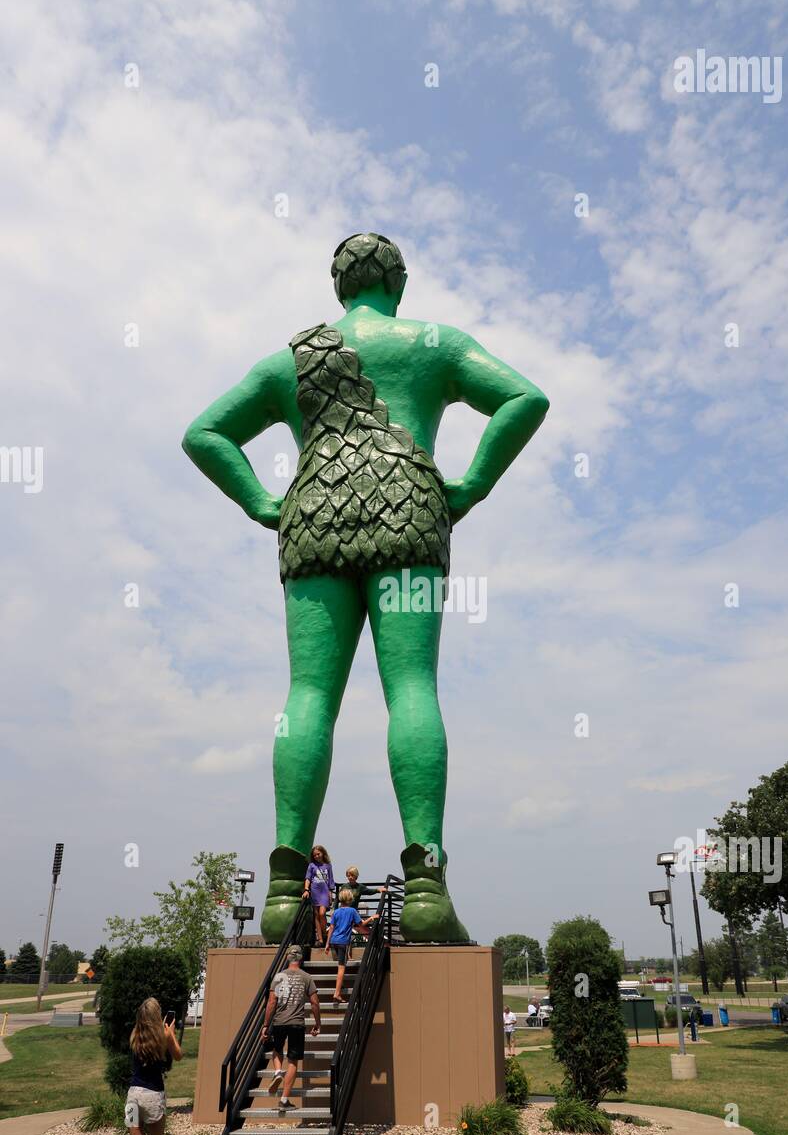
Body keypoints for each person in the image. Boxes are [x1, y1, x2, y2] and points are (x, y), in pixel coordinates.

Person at [183, 232, 548, 945]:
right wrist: (471, 483)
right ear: (399, 284)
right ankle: (426, 893)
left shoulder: (292, 359)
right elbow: (524, 399)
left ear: (338, 287)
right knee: (412, 688)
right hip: (409, 511)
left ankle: (286, 895)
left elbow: (205, 434)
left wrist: (263, 502)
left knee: (307, 696)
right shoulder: (432, 341)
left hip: (313, 517)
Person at [125, 998, 182, 1135]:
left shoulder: (135, 1035)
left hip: (133, 1094)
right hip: (153, 1094)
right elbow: (178, 1055)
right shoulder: (163, 1036)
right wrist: (171, 1033)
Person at [261, 945, 321, 1111]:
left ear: (288, 957)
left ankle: (278, 1071)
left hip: (279, 1021)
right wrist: (317, 1023)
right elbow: (315, 1002)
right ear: (300, 958)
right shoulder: (307, 977)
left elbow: (271, 1002)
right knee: (293, 1061)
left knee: (277, 1050)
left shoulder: (279, 977)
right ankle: (284, 1100)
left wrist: (266, 1025)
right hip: (297, 1023)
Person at [325, 889, 379, 1003]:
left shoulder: (336, 912)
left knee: (340, 964)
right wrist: (371, 918)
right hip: (343, 942)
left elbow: (331, 928)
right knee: (341, 967)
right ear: (350, 899)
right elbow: (361, 924)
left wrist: (327, 943)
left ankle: (341, 985)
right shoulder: (352, 911)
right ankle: (337, 993)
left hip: (334, 940)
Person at [304, 844, 335, 947]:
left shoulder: (328, 866)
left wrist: (330, 895)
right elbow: (308, 878)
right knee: (317, 915)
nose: (317, 856)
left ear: (323, 853)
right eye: (315, 855)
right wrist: (306, 890)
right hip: (315, 891)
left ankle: (325, 934)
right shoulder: (312, 865)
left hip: (324, 892)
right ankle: (321, 939)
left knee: (322, 913)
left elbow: (330, 881)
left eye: (318, 854)